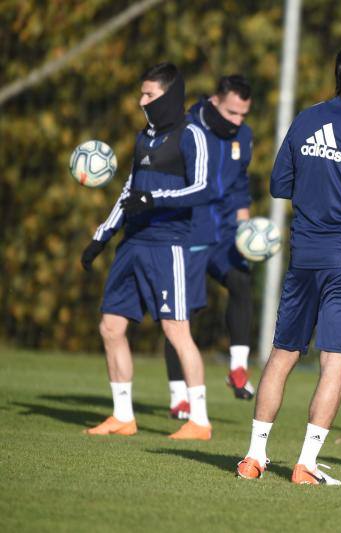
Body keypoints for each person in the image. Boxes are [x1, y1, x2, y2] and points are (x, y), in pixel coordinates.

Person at [234, 42, 341, 486]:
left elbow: (279, 184)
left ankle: (254, 457)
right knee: (335, 361)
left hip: (304, 255)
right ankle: (305, 465)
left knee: (282, 353)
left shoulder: (306, 119)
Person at [80, 62, 219, 440]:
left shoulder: (192, 136)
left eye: (149, 95)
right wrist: (102, 236)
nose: (142, 101)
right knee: (110, 327)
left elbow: (204, 189)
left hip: (168, 246)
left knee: (176, 330)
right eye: (142, 94)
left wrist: (155, 199)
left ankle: (199, 421)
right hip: (132, 245)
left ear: (169, 97)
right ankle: (123, 416)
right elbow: (129, 191)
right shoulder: (144, 138)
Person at [163, 74, 257, 421]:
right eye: (232, 113)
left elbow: (239, 187)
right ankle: (179, 397)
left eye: (244, 115)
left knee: (242, 282)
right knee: (182, 313)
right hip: (188, 231)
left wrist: (247, 232)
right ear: (215, 101)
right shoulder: (186, 129)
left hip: (225, 233)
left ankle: (238, 368)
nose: (238, 122)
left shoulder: (243, 136)